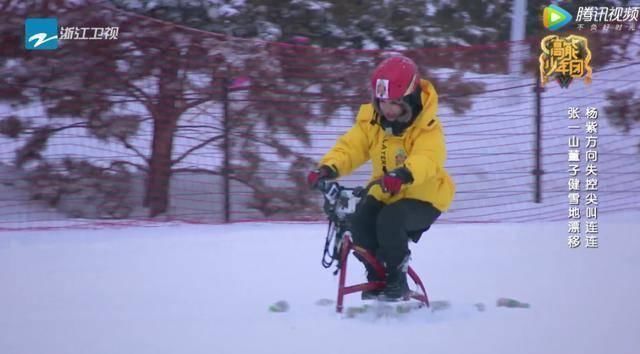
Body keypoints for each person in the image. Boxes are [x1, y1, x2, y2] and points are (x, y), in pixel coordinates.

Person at [307, 55, 455, 302]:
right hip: (386, 191)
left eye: (394, 102)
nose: (387, 109)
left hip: (424, 197)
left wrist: (404, 173)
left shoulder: (427, 127)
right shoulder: (373, 123)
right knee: (360, 221)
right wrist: (328, 168)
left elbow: (429, 158)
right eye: (382, 101)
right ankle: (376, 274)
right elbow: (351, 147)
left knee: (390, 220)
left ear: (408, 99)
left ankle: (397, 277)